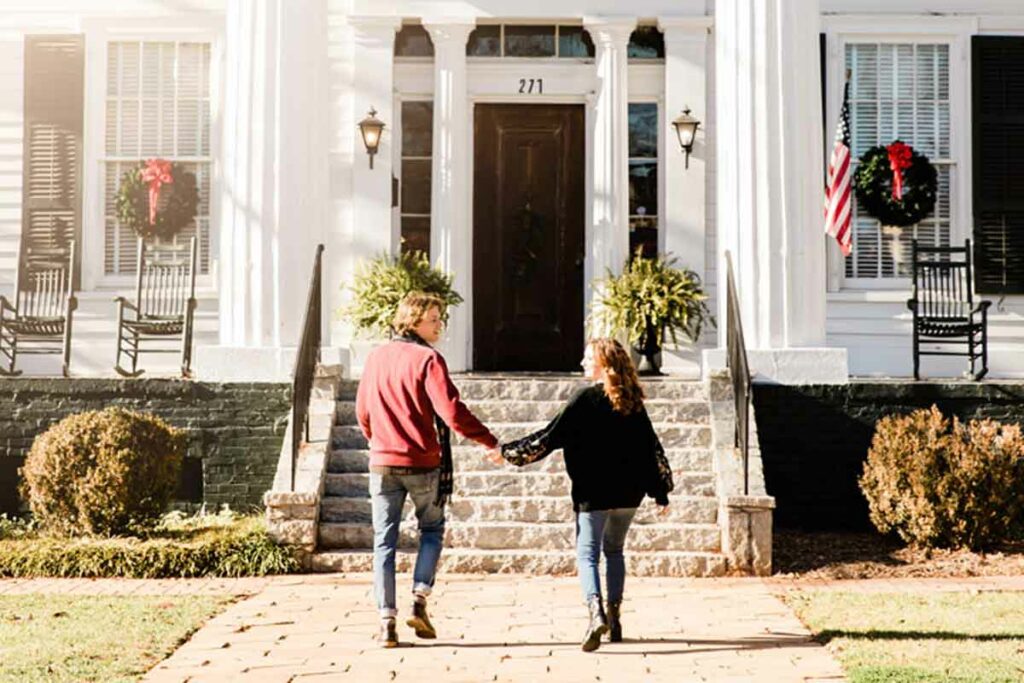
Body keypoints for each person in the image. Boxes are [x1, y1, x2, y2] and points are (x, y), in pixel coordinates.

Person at [495, 338, 673, 652]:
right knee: (615, 552)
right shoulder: (632, 401)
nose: (582, 362)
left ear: (603, 364)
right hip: (629, 494)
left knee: (587, 554)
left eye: (588, 357)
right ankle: (615, 618)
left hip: (594, 491)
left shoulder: (584, 399)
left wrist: (508, 453)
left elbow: (549, 437)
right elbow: (651, 449)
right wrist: (660, 492)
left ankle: (595, 614)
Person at [357, 291, 501, 648]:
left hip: (383, 462)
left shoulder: (375, 357)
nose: (440, 325)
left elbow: (363, 412)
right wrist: (490, 441)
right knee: (432, 530)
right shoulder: (428, 360)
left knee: (383, 543)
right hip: (423, 462)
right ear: (413, 320)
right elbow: (451, 413)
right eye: (434, 319)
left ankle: (385, 622)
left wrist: (379, 441)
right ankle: (419, 600)